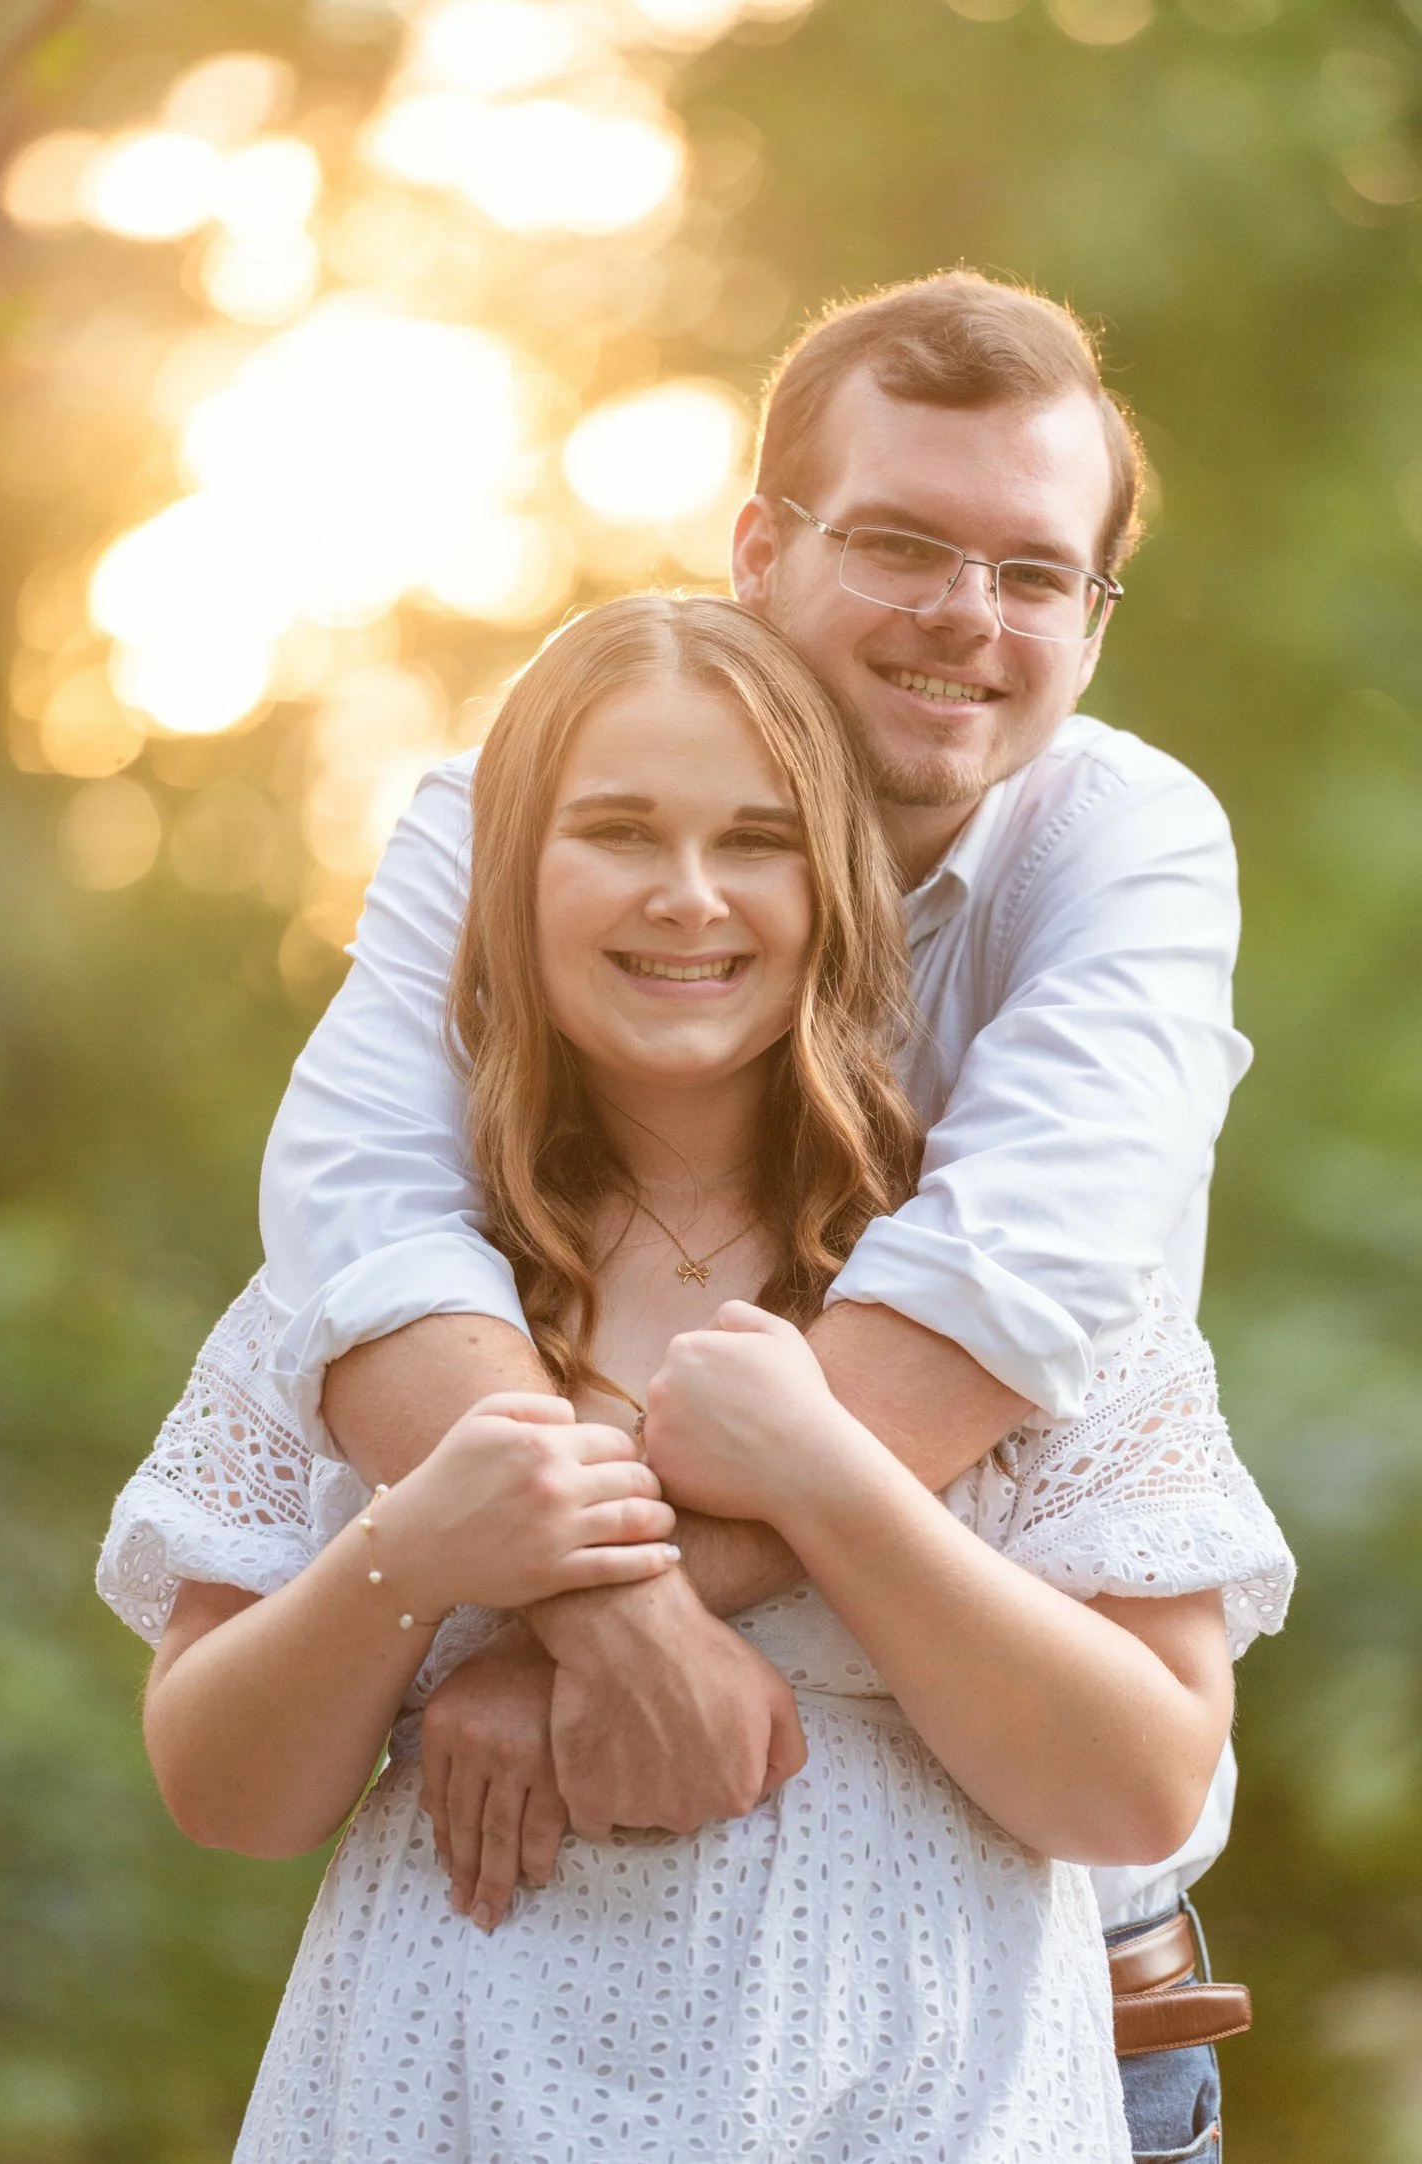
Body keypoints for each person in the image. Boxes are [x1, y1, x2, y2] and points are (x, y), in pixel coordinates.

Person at [255, 273, 1259, 2158]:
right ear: (759, 549)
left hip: (1012, 1995)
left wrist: (542, 1635)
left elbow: (992, 1298)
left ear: (1094, 617)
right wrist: (596, 1618)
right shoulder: (508, 808)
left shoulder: (1127, 846)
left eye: (1037, 574)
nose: (967, 616)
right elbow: (363, 1232)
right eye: (900, 544)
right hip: (517, 1988)